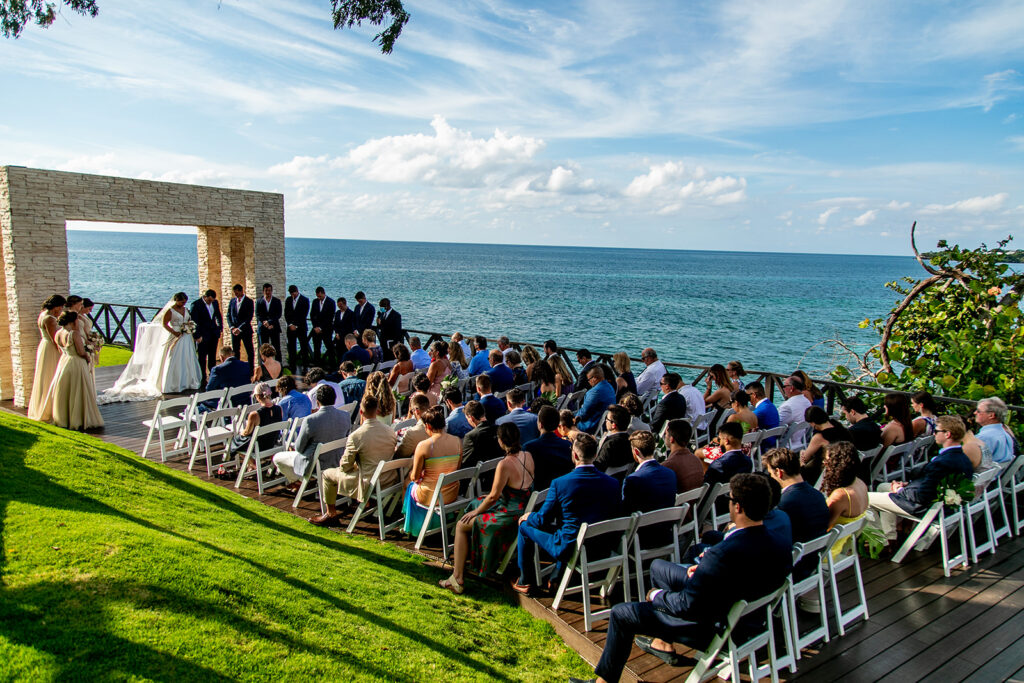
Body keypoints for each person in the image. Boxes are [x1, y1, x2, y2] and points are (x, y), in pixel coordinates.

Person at [575, 474, 791, 683]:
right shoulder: (779, 544)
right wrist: (703, 571)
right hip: (749, 617)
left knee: (621, 613)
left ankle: (603, 682)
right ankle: (662, 643)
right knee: (659, 568)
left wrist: (657, 595)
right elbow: (740, 574)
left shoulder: (722, 554)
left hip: (710, 625)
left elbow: (686, 605)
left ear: (739, 507)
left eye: (730, 499)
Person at [513, 434, 620, 594]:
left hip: (570, 546)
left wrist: (529, 516)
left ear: (575, 455)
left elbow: (542, 519)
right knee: (565, 526)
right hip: (602, 545)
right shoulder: (613, 483)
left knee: (524, 526)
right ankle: (556, 577)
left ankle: (525, 580)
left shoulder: (560, 483)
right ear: (596, 455)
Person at [440, 423, 535, 592]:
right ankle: (466, 555)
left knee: (462, 524)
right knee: (475, 502)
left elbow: (493, 497)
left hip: (509, 515)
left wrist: (477, 512)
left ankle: (457, 577)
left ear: (501, 441)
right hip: (522, 508)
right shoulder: (528, 455)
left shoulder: (505, 464)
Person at [868, 415, 974, 541]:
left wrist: (900, 491)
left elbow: (922, 496)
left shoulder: (942, 462)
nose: (934, 434)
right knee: (881, 487)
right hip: (941, 504)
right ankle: (889, 536)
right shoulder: (963, 459)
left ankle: (880, 541)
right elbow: (933, 483)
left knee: (864, 499)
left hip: (922, 506)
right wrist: (908, 484)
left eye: (936, 431)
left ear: (947, 434)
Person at [99, 292, 202, 402]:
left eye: (184, 302)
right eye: (181, 302)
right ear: (176, 300)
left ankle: (187, 381)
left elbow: (188, 320)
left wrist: (189, 327)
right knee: (173, 358)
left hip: (185, 336)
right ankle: (172, 383)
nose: (183, 304)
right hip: (175, 335)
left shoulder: (186, 310)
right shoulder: (170, 311)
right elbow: (164, 324)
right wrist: (174, 332)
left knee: (186, 357)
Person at [309, 393, 391, 525]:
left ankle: (331, 514)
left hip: (368, 481)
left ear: (361, 412)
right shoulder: (389, 430)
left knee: (327, 474)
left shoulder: (357, 435)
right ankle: (366, 502)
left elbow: (345, 466)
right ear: (377, 410)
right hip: (388, 478)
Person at [762, 446, 829, 579]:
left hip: (792, 568)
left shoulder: (784, 503)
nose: (771, 477)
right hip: (812, 562)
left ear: (779, 473)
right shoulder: (818, 495)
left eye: (771, 473)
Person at [402, 405, 463, 536]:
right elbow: (456, 469)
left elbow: (415, 477)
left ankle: (410, 525)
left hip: (431, 495)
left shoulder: (424, 445)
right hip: (451, 492)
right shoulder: (457, 441)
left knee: (407, 484)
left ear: (428, 426)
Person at [39, 311, 104, 430]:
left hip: (65, 362)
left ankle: (65, 418)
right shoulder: (74, 334)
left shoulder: (58, 333)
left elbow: (60, 349)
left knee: (67, 390)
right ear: (73, 321)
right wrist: (88, 356)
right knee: (79, 390)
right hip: (77, 363)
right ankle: (78, 418)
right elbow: (80, 351)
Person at [821, 441, 869, 555]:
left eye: (827, 461)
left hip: (827, 552)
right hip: (840, 545)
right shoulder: (860, 483)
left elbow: (823, 527)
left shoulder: (841, 495)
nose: (824, 463)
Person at [27, 294, 66, 421]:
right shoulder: (50, 319)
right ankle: (50, 409)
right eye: (61, 307)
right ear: (56, 307)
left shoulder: (42, 314)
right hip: (50, 349)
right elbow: (54, 339)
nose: (61, 310)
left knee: (46, 376)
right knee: (51, 375)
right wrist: (63, 352)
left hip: (44, 346)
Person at [622, 430, 676, 515]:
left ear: (636, 451)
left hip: (641, 526)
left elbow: (626, 512)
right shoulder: (670, 474)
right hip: (666, 525)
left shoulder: (632, 480)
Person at [229, 382, 284, 461]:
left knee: (235, 442)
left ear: (257, 396)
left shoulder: (255, 414)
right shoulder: (279, 409)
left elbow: (247, 432)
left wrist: (240, 433)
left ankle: (252, 464)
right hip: (272, 442)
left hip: (259, 447)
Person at [524, 405, 574, 490]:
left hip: (539, 495)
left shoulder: (529, 448)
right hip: (564, 491)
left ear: (540, 424)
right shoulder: (567, 445)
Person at [799, 405, 853, 483]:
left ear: (813, 423)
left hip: (826, 473)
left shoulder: (820, 437)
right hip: (845, 468)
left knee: (799, 468)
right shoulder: (840, 428)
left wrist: (802, 454)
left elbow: (806, 457)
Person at [190, 289, 222, 387]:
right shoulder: (196, 304)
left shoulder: (215, 303)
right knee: (202, 357)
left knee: (212, 356)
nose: (210, 302)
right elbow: (194, 322)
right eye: (209, 300)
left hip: (213, 333)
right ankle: (202, 378)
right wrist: (197, 336)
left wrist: (220, 328)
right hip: (203, 334)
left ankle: (212, 376)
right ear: (205, 297)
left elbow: (218, 315)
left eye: (212, 301)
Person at [662, 420, 704, 493]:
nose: (665, 437)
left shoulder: (668, 465)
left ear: (671, 439)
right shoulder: (696, 460)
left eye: (666, 434)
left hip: (678, 503)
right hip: (693, 502)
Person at [974, 397, 1016, 465]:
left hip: (988, 474)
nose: (975, 413)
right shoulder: (1006, 433)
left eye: (978, 411)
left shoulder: (984, 437)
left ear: (991, 415)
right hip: (1001, 474)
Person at [461, 400, 501, 469]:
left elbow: (465, 463)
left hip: (482, 475)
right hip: (499, 470)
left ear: (471, 418)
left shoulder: (471, 436)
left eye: (467, 419)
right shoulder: (498, 428)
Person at [575, 366, 616, 434]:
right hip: (604, 423)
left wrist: (572, 419)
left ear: (594, 378)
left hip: (592, 425)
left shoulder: (594, 392)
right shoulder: (609, 387)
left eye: (589, 380)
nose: (588, 382)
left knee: (565, 420)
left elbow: (583, 413)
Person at [596, 404, 633, 473]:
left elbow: (599, 466)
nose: (605, 421)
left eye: (607, 419)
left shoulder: (610, 444)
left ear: (613, 425)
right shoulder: (630, 440)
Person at [283, 284, 310, 373]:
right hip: (290, 328)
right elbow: (286, 313)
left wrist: (296, 325)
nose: (293, 295)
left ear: (297, 291)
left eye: (294, 293)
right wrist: (290, 324)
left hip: (301, 327)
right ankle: (292, 365)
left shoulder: (305, 300)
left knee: (304, 346)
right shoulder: (288, 300)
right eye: (291, 294)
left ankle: (305, 365)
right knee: (291, 347)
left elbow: (304, 314)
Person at [227, 284, 255, 370]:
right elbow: (228, 315)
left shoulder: (249, 302)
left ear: (241, 291)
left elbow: (249, 318)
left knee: (249, 350)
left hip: (245, 330)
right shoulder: (232, 301)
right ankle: (237, 369)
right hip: (234, 331)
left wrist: (239, 328)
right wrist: (232, 327)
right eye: (235, 293)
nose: (236, 295)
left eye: (237, 293)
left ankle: (251, 369)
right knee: (235, 351)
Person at [779, 375, 812, 445]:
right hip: (800, 442)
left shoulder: (788, 406)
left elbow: (776, 426)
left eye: (784, 386)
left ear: (792, 388)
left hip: (786, 444)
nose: (783, 389)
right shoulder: (807, 402)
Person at [746, 381, 780, 446]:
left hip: (763, 446)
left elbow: (744, 424)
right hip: (772, 442)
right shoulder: (770, 405)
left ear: (754, 395)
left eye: (747, 396)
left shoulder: (761, 410)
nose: (747, 399)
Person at [309, 287, 336, 368]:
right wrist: (315, 326)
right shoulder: (315, 302)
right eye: (318, 296)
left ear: (323, 293)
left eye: (320, 296)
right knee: (316, 347)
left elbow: (330, 317)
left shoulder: (331, 302)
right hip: (316, 329)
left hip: (326, 329)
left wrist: (321, 328)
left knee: (329, 347)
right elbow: (312, 315)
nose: (319, 298)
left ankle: (332, 365)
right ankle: (317, 365)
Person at [255, 282, 282, 361]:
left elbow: (278, 314)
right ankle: (264, 367)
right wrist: (265, 323)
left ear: (271, 291)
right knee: (263, 349)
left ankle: (278, 366)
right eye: (266, 290)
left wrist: (270, 322)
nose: (268, 292)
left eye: (269, 290)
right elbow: (258, 314)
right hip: (263, 328)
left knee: (276, 348)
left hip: (274, 327)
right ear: (263, 291)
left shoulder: (277, 301)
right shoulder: (259, 301)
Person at [331, 296, 356, 363]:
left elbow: (350, 326)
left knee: (347, 355)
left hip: (346, 337)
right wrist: (336, 333)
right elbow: (335, 324)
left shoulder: (351, 313)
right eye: (338, 306)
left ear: (345, 304)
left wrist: (342, 334)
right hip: (338, 337)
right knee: (338, 354)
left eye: (341, 305)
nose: (340, 307)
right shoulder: (337, 313)